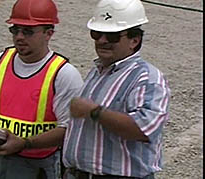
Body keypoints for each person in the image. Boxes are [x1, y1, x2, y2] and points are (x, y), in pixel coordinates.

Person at [0, 0, 83, 178]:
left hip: (37, 162)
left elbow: (69, 129)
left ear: (49, 33)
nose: (19, 36)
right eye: (15, 29)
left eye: (28, 31)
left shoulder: (64, 75)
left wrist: (25, 143)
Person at [62, 0, 171, 178]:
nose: (102, 41)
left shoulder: (147, 78)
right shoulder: (99, 71)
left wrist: (95, 112)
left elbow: (144, 129)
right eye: (97, 33)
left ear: (134, 40)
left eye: (112, 36)